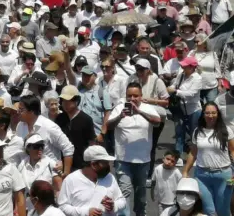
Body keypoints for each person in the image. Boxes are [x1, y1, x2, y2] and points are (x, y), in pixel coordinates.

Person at [107, 82, 161, 216]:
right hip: (123, 160)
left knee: (141, 194)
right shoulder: (119, 108)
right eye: (129, 96)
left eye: (135, 96)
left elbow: (157, 121)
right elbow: (108, 126)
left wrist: (139, 112)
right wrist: (120, 116)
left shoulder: (148, 108)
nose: (132, 99)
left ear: (141, 96)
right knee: (124, 192)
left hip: (143, 160)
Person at [182, 102, 234, 216]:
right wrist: (185, 171)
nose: (211, 116)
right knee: (209, 210)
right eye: (208, 113)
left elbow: (233, 150)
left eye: (213, 113)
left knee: (223, 210)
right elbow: (193, 153)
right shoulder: (197, 131)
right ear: (203, 114)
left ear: (218, 114)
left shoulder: (226, 130)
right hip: (202, 176)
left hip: (224, 176)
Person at [57, 145, 126, 216]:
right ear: (93, 165)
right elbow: (62, 207)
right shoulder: (71, 180)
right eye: (105, 163)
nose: (109, 166)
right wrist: (86, 212)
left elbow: (122, 201)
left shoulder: (110, 177)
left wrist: (114, 206)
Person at [17, 134, 62, 213]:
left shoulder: (51, 164)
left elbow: (59, 189)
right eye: (36, 146)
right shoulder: (21, 166)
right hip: (29, 209)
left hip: (46, 209)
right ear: (28, 148)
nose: (40, 149)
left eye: (42, 146)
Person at [54, 86, 95, 170]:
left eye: (68, 101)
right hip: (63, 162)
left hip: (81, 164)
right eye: (63, 101)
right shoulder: (59, 118)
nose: (65, 104)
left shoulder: (86, 119)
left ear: (76, 101)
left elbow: (91, 142)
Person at [168, 57, 203, 154]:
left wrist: (176, 91)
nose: (182, 67)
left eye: (185, 66)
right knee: (179, 132)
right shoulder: (181, 75)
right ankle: (177, 155)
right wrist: (170, 88)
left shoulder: (197, 78)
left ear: (192, 67)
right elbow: (174, 85)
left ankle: (196, 155)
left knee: (194, 134)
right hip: (180, 108)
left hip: (194, 110)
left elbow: (191, 93)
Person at [151, 150, 183, 214]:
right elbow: (153, 182)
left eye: (172, 161)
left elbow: (181, 186)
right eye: (168, 159)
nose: (169, 162)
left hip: (173, 202)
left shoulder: (176, 172)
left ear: (176, 163)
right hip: (161, 201)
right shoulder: (157, 169)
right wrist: (152, 193)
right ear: (163, 158)